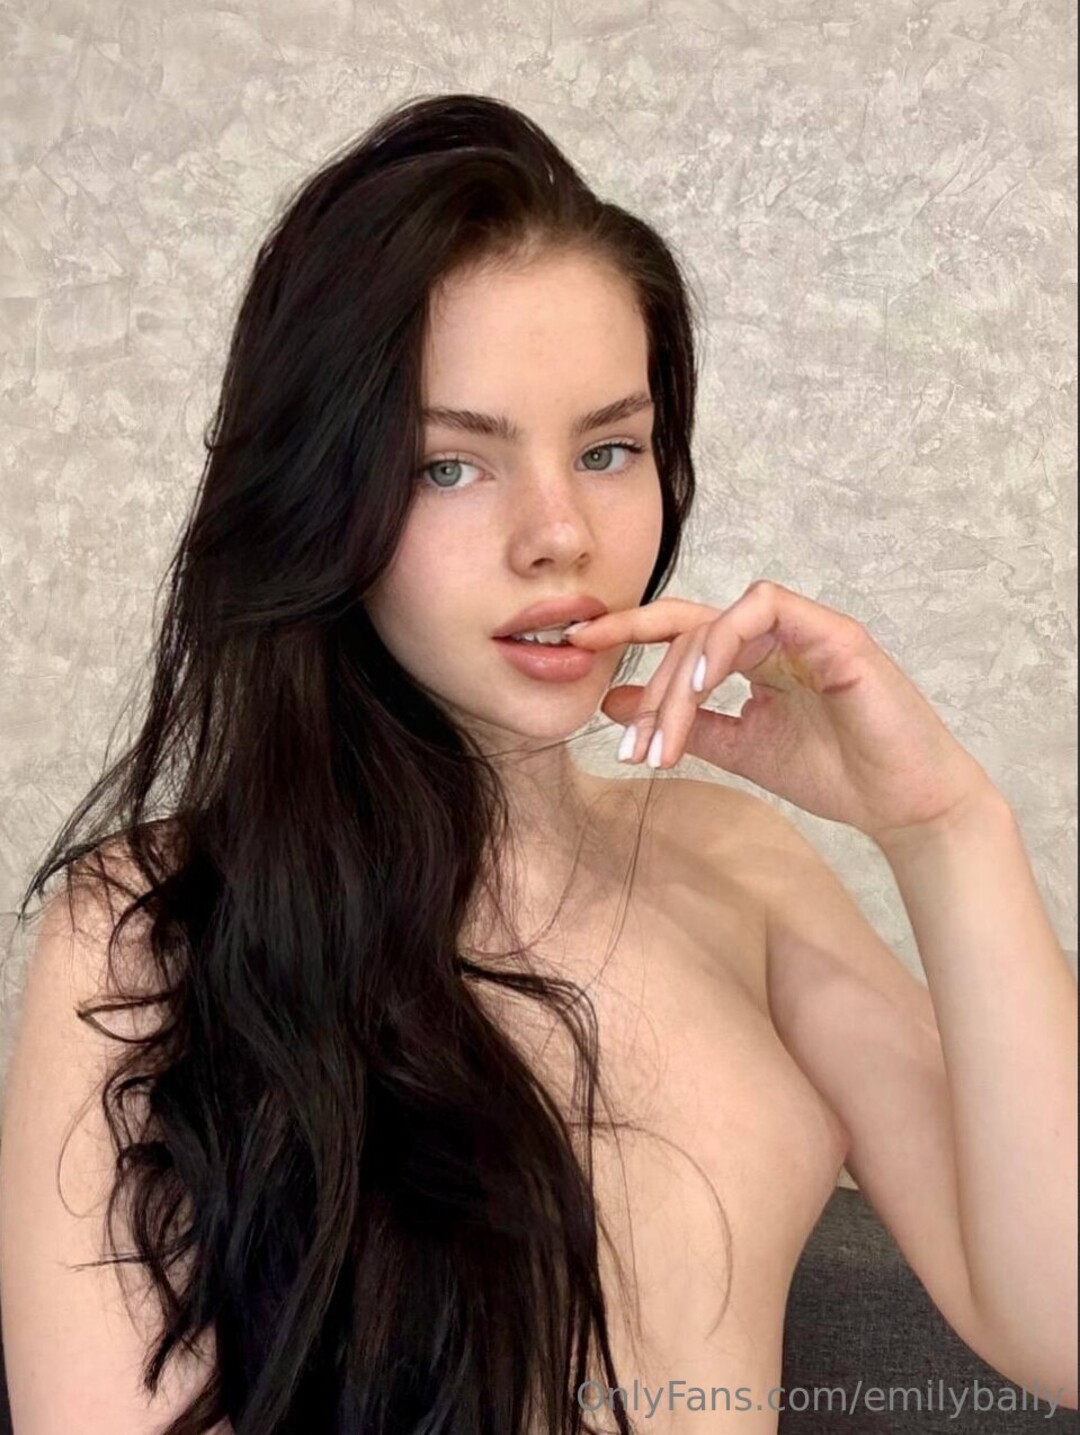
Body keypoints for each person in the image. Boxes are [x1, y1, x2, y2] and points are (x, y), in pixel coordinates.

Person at [0, 93, 1075, 1435]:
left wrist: (943, 826)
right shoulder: (146, 929)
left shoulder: (739, 867)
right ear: (320, 494)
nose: (560, 534)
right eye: (451, 466)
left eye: (609, 450)